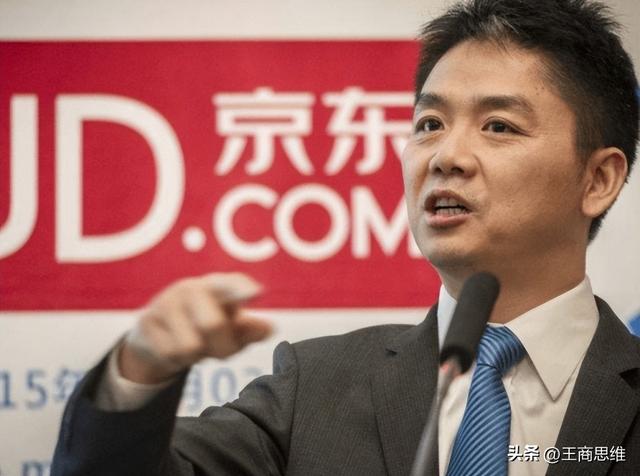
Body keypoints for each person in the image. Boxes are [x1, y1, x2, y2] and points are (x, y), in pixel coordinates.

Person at [52, 0, 640, 475]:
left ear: (598, 180)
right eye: (429, 124)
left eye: (498, 126)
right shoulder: (314, 389)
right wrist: (141, 371)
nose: (446, 156)